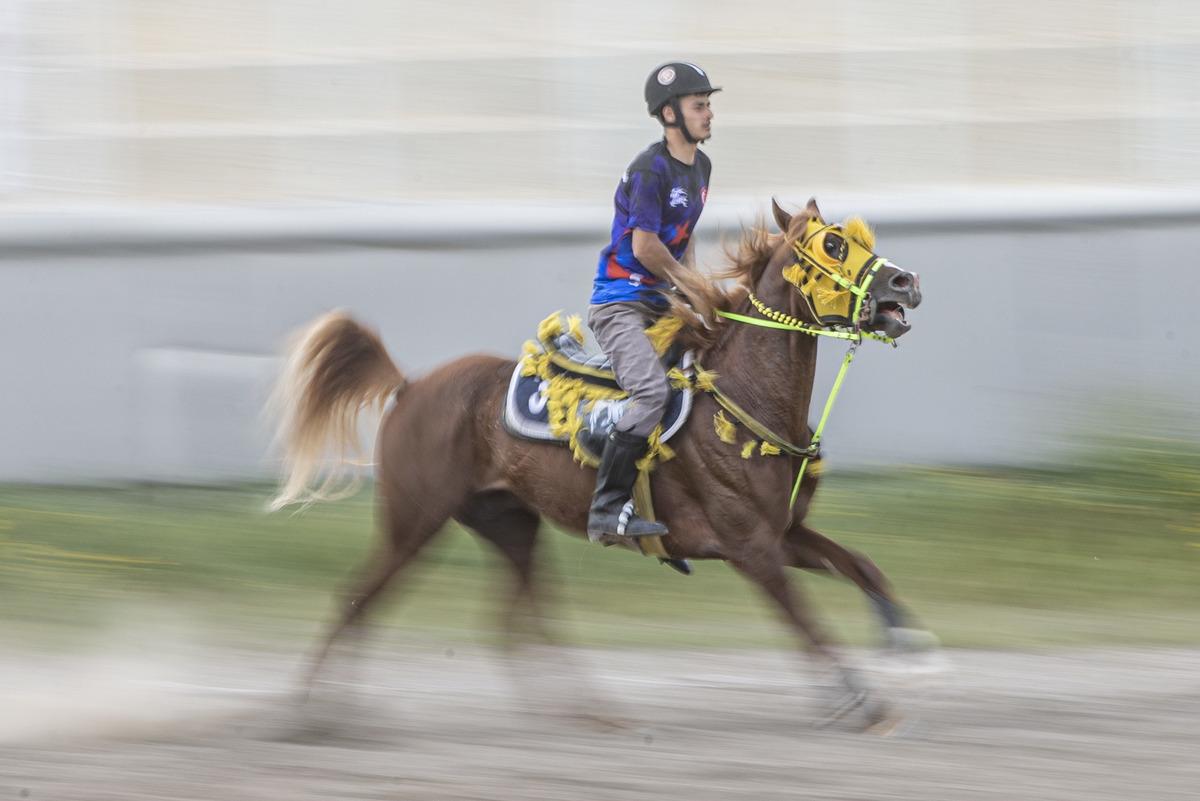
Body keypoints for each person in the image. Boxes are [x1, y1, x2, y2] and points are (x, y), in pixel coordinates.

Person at [586, 61, 720, 542]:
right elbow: (645, 248)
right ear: (669, 114)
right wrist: (694, 287)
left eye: (708, 105)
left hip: (662, 302)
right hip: (621, 305)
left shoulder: (701, 167)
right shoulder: (650, 169)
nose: (708, 114)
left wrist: (699, 294)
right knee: (651, 393)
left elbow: (682, 243)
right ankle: (605, 509)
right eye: (698, 106)